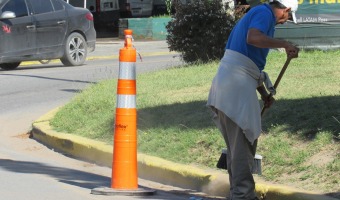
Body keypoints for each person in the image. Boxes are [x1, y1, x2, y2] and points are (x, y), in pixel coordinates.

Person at [207, 0, 299, 199]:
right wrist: (284, 44)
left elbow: (248, 66)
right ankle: (243, 195)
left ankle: (238, 193)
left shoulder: (259, 14)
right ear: (286, 9)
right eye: (288, 17)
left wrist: (264, 94)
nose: (285, 22)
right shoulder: (264, 13)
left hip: (226, 86)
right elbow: (253, 38)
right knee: (242, 147)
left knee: (237, 147)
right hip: (234, 89)